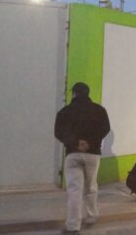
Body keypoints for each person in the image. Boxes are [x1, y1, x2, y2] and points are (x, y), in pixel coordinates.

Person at [54, 82, 110, 233]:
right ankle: (91, 216)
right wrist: (90, 142)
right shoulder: (99, 110)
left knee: (74, 190)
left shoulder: (64, 112)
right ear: (88, 93)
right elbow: (105, 128)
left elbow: (58, 131)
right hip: (93, 154)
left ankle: (73, 225)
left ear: (74, 94)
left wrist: (75, 142)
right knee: (91, 186)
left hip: (73, 154)